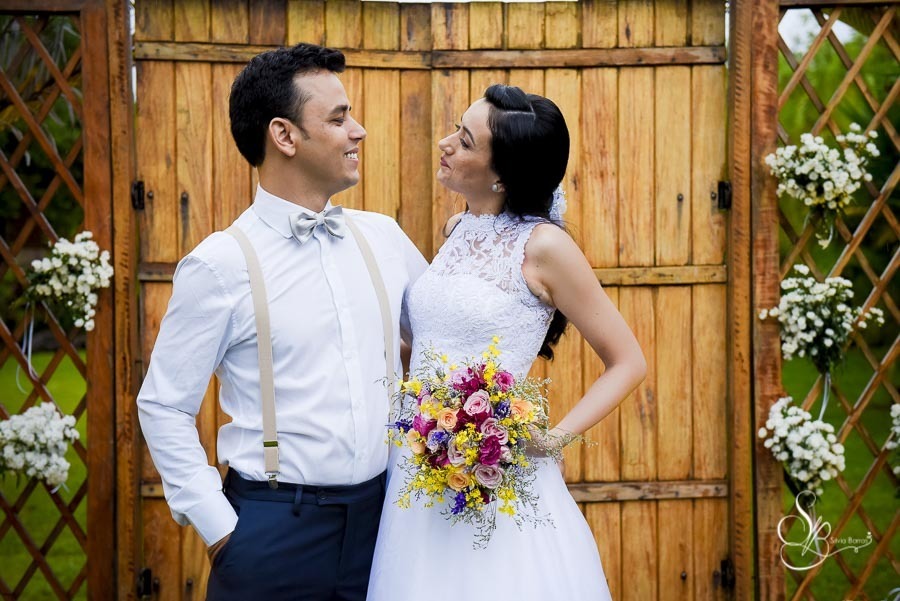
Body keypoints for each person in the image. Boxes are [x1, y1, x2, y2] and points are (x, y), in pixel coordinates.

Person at [136, 43, 427, 601]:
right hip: (272, 534)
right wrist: (222, 533)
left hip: (385, 525)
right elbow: (164, 405)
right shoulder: (220, 264)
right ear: (284, 136)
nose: (359, 131)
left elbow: (444, 335)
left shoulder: (383, 238)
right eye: (338, 119)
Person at [367, 84, 647, 600]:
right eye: (457, 128)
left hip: (495, 475)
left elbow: (628, 361)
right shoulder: (457, 228)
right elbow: (433, 341)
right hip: (417, 468)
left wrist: (553, 439)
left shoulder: (545, 247)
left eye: (465, 141)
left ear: (503, 174)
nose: (446, 143)